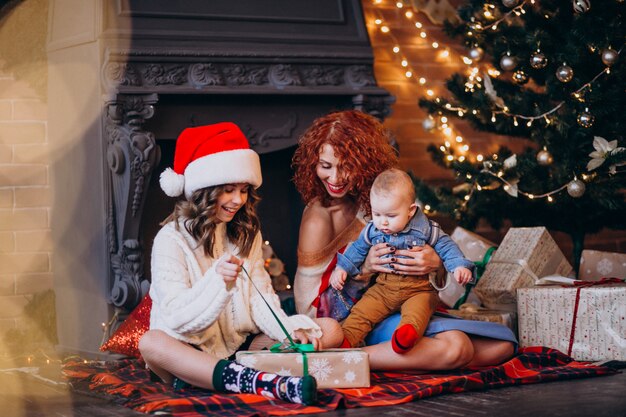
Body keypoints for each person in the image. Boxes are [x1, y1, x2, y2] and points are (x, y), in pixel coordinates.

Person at [292, 110, 516, 371]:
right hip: (358, 317)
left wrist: (434, 263)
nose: (336, 178)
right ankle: (348, 358)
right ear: (313, 163)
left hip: (408, 303)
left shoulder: (380, 200)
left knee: (503, 346)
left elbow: (434, 250)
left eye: (347, 166)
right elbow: (309, 311)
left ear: (365, 161)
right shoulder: (318, 218)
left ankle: (395, 356)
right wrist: (365, 269)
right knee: (458, 347)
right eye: (326, 166)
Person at [139, 122, 342, 405]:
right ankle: (255, 380)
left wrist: (286, 329)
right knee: (151, 343)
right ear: (204, 190)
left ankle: (239, 376)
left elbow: (261, 299)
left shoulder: (245, 232)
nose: (238, 200)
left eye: (244, 190)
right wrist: (218, 283)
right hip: (189, 348)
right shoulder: (170, 239)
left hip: (240, 346)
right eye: (229, 190)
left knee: (330, 329)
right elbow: (176, 319)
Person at [330, 168, 474, 354]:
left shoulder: (426, 229)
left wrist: (459, 266)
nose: (383, 223)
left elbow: (447, 247)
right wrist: (342, 268)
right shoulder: (373, 230)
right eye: (377, 214)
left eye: (391, 216)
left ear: (410, 211)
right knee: (362, 312)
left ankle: (406, 335)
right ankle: (346, 341)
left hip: (418, 290)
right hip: (383, 288)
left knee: (417, 312)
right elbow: (357, 249)